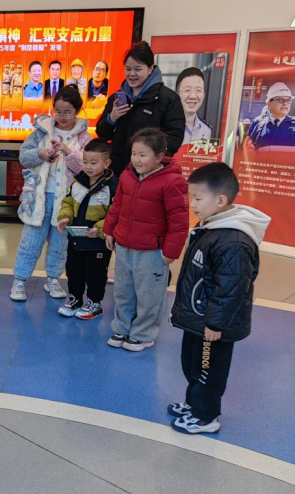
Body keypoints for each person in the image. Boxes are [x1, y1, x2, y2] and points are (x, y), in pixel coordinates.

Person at [169, 163, 271, 434]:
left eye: (197, 198)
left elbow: (232, 288)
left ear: (220, 200)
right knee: (193, 364)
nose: (192, 204)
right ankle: (194, 403)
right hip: (199, 319)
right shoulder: (212, 228)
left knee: (208, 370)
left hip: (213, 325)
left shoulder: (233, 241)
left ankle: (206, 417)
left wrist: (215, 323)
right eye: (191, 197)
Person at [103, 128, 189, 351]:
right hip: (124, 246)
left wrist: (170, 252)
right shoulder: (127, 176)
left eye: (143, 155)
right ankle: (122, 328)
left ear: (159, 157)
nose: (137, 159)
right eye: (134, 153)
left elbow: (179, 222)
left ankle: (143, 334)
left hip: (152, 251)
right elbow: (117, 206)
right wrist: (110, 230)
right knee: (123, 291)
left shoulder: (172, 182)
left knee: (149, 295)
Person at [10, 86, 92, 302]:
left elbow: (88, 167)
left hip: (67, 201)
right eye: (58, 111)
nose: (62, 117)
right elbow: (24, 156)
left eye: (67, 112)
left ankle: (53, 279)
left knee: (59, 243)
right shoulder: (41, 131)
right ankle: (19, 280)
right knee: (30, 241)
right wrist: (41, 153)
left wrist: (68, 152)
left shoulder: (84, 137)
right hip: (38, 196)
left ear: (77, 111)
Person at [96, 42, 185, 177]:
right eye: (128, 69)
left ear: (150, 69)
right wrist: (112, 118)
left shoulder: (167, 99)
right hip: (117, 172)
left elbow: (174, 137)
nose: (131, 74)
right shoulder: (117, 97)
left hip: (149, 173)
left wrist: (151, 162)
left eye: (138, 69)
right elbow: (102, 134)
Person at [56, 139, 117, 319]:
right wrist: (65, 217)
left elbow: (115, 213)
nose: (88, 167)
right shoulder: (77, 182)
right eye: (85, 162)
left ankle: (94, 303)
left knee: (95, 274)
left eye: (93, 163)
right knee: (74, 271)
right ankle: (75, 299)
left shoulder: (113, 186)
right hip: (76, 239)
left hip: (98, 242)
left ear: (106, 163)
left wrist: (99, 230)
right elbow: (68, 202)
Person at [177, 68, 212, 145]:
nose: (193, 96)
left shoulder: (207, 130)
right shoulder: (164, 127)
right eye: (187, 90)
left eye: (198, 90)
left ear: (203, 95)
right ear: (177, 94)